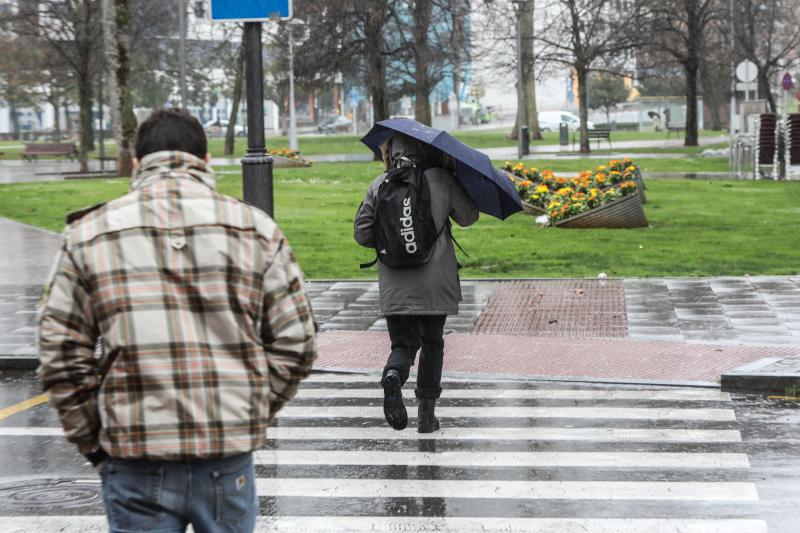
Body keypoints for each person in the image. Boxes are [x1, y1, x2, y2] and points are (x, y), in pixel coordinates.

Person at [37, 108, 317, 533]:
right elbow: (297, 342)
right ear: (205, 162)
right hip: (226, 452)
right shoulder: (254, 230)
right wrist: (251, 410)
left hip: (134, 454)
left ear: (136, 164)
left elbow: (60, 353)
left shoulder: (89, 234)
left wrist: (95, 443)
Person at [354, 133, 479, 433]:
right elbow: (469, 216)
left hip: (396, 285)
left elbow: (361, 233)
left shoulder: (380, 185)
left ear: (391, 152)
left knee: (402, 344)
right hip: (435, 283)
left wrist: (390, 237)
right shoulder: (442, 179)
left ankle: (394, 374)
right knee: (433, 344)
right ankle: (426, 416)